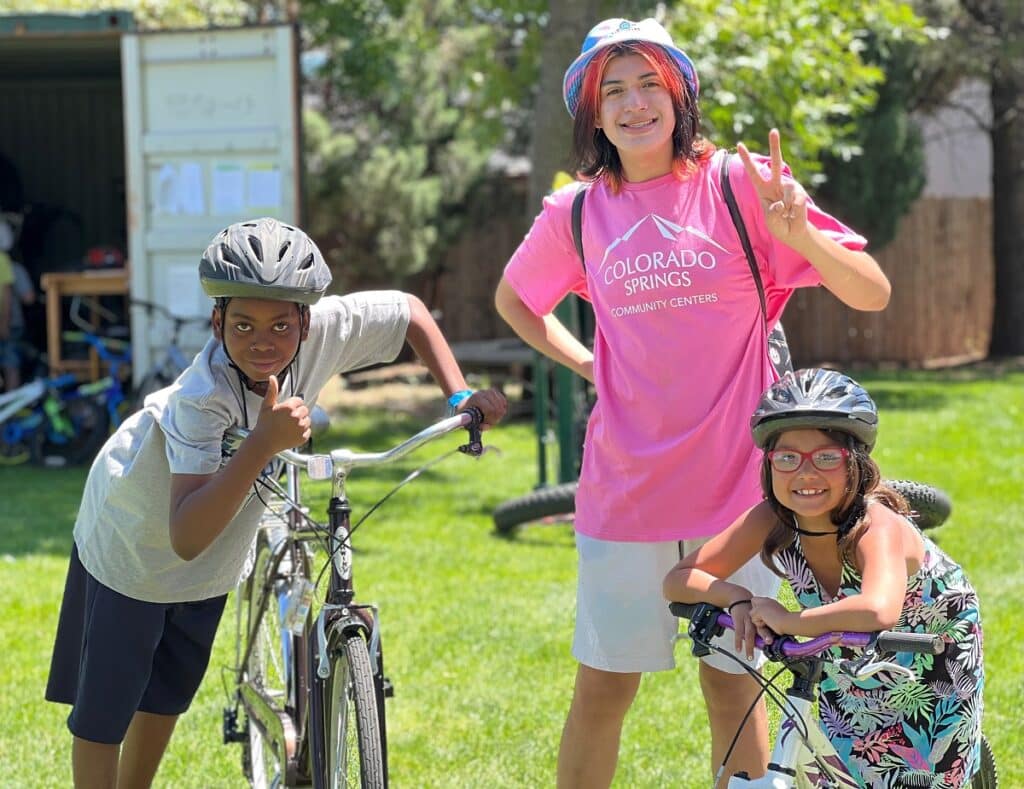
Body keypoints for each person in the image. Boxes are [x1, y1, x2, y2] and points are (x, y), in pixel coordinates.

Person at [494, 17, 892, 786]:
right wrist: (586, 362)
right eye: (614, 90)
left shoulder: (739, 185)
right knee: (604, 689)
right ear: (593, 112)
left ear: (680, 95)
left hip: (742, 493)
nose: (634, 103)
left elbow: (870, 290)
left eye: (650, 83)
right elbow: (516, 300)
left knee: (734, 685)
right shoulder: (574, 213)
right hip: (625, 493)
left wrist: (800, 235)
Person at [45, 217, 507, 788]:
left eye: (281, 326)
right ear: (216, 323)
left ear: (306, 321)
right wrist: (263, 442)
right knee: (106, 711)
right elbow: (183, 534)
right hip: (135, 536)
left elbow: (410, 311)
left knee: (166, 694)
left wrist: (457, 392)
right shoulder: (201, 398)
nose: (262, 341)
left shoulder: (323, 332)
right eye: (242, 324)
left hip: (208, 555)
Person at [664, 368, 984, 787]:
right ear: (769, 464)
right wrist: (736, 597)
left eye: (827, 457)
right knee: (838, 770)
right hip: (844, 642)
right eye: (787, 458)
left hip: (931, 650)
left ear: (857, 463)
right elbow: (680, 578)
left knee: (924, 775)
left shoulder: (876, 527)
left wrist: (790, 621)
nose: (806, 473)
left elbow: (878, 608)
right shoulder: (771, 518)